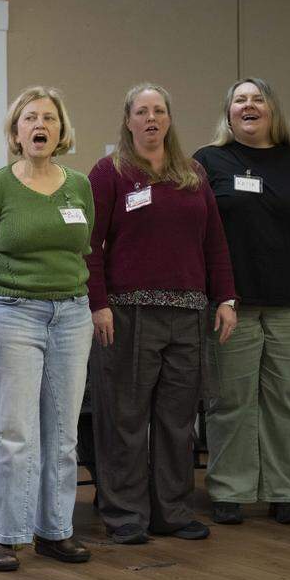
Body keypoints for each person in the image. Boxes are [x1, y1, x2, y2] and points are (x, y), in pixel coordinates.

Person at [85, 83, 237, 545]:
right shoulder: (110, 172)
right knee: (125, 418)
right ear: (128, 120)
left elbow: (214, 241)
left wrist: (226, 298)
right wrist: (98, 304)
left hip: (189, 314)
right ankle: (125, 513)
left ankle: (171, 510)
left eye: (159, 111)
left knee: (176, 420)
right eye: (142, 111)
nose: (151, 118)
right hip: (127, 316)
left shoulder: (192, 174)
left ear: (169, 119)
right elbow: (89, 247)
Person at [195, 77, 290, 525]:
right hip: (229, 303)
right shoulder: (207, 162)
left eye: (258, 99)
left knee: (285, 399)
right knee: (230, 398)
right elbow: (189, 229)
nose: (249, 105)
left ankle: (281, 489)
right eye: (240, 100)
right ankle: (230, 490)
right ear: (229, 112)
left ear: (272, 110)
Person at [0, 86, 94, 572]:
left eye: (48, 117)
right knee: (13, 431)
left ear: (61, 130)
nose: (39, 125)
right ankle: (4, 535)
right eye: (29, 118)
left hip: (72, 313)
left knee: (63, 431)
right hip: (12, 311)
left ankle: (55, 530)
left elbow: (87, 249)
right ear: (16, 131)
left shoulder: (80, 185)